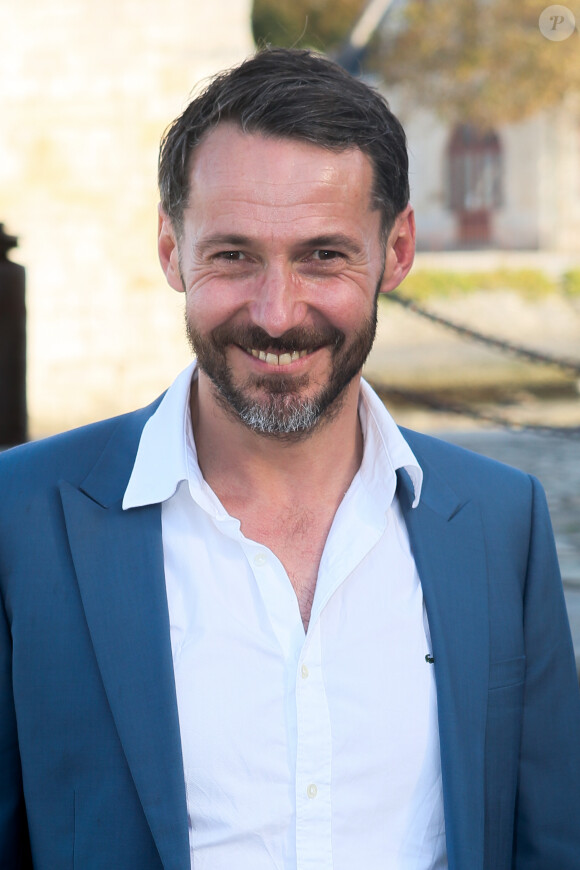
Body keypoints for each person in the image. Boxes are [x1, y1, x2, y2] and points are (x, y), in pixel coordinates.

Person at [1, 47, 579, 870]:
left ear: (399, 249)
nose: (277, 314)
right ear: (171, 250)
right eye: (233, 255)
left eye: (324, 255)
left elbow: (549, 843)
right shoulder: (17, 519)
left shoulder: (501, 521)